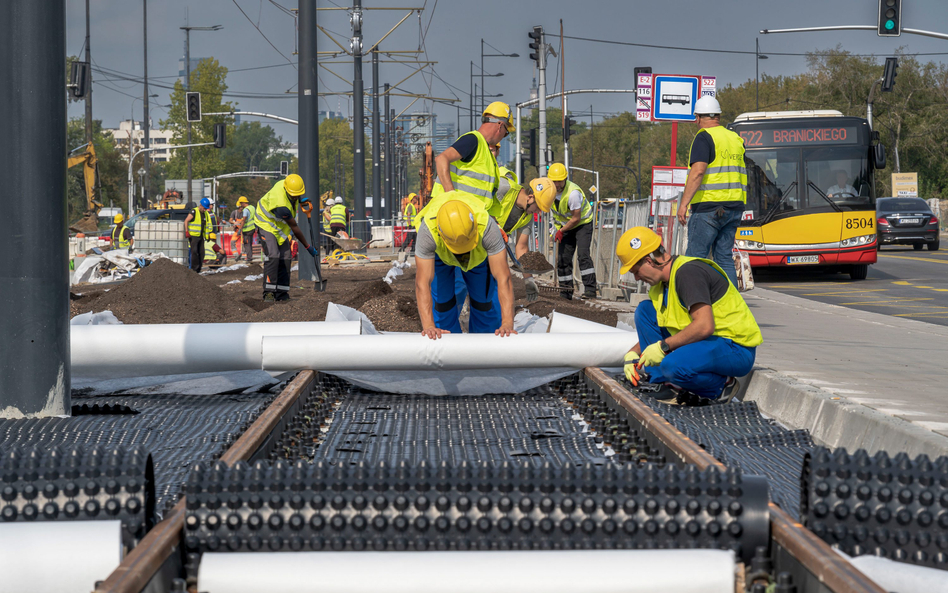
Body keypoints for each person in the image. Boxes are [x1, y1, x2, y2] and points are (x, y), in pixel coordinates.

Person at [616, 227, 762, 406]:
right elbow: (666, 326)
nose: (637, 278)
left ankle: (722, 386)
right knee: (645, 311)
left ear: (649, 260)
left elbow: (704, 326)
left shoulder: (688, 273)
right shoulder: (662, 285)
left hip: (735, 347)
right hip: (710, 342)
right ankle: (664, 384)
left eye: (636, 271)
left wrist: (663, 347)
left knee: (674, 366)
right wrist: (634, 353)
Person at [414, 191, 516, 339]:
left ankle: (484, 351)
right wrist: (429, 326)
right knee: (443, 307)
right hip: (441, 257)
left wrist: (507, 323)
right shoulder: (428, 231)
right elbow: (422, 283)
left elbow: (503, 278)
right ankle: (448, 352)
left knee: (484, 305)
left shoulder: (487, 226)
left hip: (478, 257)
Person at [678, 95, 747, 287]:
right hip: (734, 207)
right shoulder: (735, 138)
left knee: (695, 259)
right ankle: (731, 305)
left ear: (698, 117)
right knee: (724, 258)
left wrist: (683, 204)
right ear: (717, 116)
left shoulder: (704, 137)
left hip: (709, 208)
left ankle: (693, 304)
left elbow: (698, 172)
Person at [431, 102, 514, 208]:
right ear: (500, 126)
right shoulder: (473, 140)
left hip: (468, 214)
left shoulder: (485, 151)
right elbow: (441, 159)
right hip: (453, 213)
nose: (504, 136)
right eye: (506, 132)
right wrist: (451, 198)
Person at [254, 173, 319, 302]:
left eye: (298, 194)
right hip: (265, 223)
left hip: (278, 227)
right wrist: (307, 246)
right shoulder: (281, 206)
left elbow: (293, 196)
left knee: (286, 256)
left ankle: (282, 293)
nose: (296, 197)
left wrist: (298, 199)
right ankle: (269, 292)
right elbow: (294, 228)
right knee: (273, 255)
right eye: (294, 196)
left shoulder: (287, 184)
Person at [545, 162, 597, 300]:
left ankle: (591, 290)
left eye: (559, 181)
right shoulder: (549, 193)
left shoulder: (573, 194)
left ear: (565, 179)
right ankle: (565, 291)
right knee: (563, 259)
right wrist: (554, 230)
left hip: (582, 224)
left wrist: (561, 230)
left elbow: (576, 218)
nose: (557, 185)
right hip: (564, 227)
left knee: (583, 255)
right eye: (554, 181)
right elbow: (555, 215)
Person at [496, 177, 552, 301]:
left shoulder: (527, 217)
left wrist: (528, 279)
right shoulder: (503, 188)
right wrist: (494, 226)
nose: (538, 212)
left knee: (499, 280)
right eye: (538, 207)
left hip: (494, 246)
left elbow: (521, 247)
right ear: (531, 197)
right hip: (473, 239)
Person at [184, 198, 213, 273]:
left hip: (201, 236)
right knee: (194, 252)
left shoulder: (205, 213)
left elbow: (206, 225)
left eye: (206, 208)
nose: (205, 210)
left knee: (201, 253)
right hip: (193, 236)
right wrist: (187, 231)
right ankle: (194, 270)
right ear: (200, 205)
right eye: (204, 208)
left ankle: (199, 269)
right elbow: (186, 221)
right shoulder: (194, 211)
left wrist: (208, 234)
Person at [234, 196, 256, 263]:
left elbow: (244, 220)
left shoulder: (245, 210)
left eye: (241, 203)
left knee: (247, 244)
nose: (240, 205)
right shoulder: (252, 207)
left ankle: (249, 258)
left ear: (243, 203)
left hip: (247, 229)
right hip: (252, 228)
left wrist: (240, 229)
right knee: (249, 243)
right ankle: (250, 256)